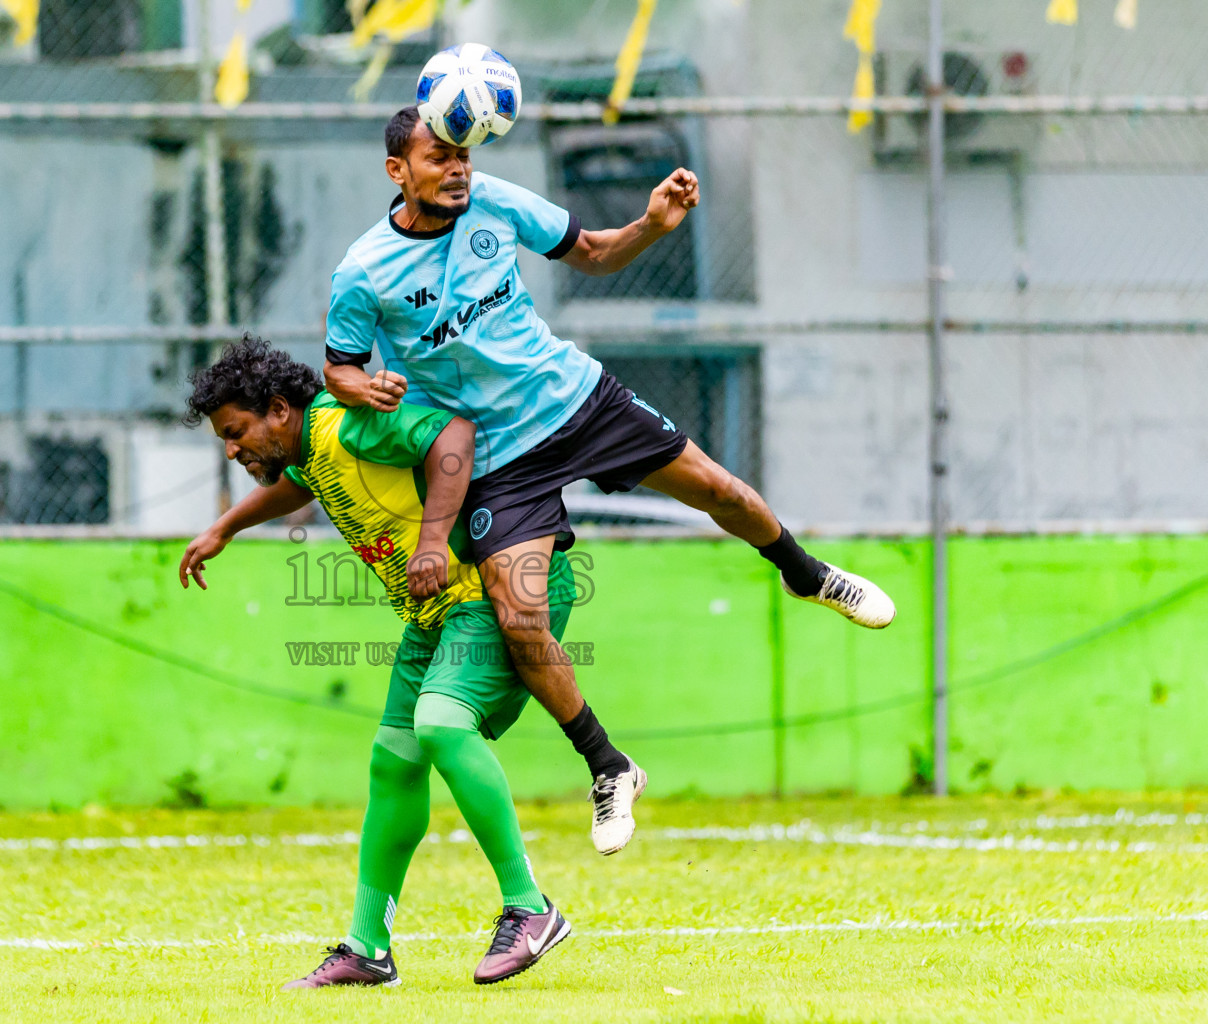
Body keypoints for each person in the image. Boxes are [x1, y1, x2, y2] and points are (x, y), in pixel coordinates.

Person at [321, 105, 897, 842]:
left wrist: (653, 224)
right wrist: (360, 387)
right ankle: (607, 764)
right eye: (439, 158)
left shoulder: (495, 201)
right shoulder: (364, 271)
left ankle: (805, 572)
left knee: (720, 490)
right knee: (520, 617)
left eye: (462, 154)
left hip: (575, 398)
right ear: (398, 171)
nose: (458, 167)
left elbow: (591, 251)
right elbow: (338, 366)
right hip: (496, 457)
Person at [179, 337, 577, 988]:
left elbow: (453, 437)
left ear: (279, 410)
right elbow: (298, 484)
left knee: (444, 725)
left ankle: (530, 907)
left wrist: (427, 543)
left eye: (235, 431)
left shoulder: (349, 425)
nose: (231, 448)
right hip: (437, 612)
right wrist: (226, 527)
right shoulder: (313, 444)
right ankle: (368, 948)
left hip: (495, 590)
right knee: (393, 762)